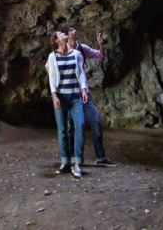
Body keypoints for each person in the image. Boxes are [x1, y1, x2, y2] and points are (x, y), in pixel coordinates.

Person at [67, 26, 117, 166]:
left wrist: (100, 44)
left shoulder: (82, 48)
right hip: (70, 93)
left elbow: (100, 55)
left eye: (73, 28)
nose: (74, 30)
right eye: (70, 29)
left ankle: (100, 157)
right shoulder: (63, 51)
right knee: (71, 126)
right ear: (66, 35)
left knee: (95, 121)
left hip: (84, 93)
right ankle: (73, 157)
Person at [46, 30, 89, 179]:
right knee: (63, 130)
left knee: (80, 125)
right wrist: (54, 96)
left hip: (75, 97)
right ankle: (65, 162)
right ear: (56, 40)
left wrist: (84, 90)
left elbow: (81, 73)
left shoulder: (76, 54)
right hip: (61, 97)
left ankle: (77, 163)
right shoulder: (53, 56)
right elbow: (52, 77)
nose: (63, 33)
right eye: (60, 33)